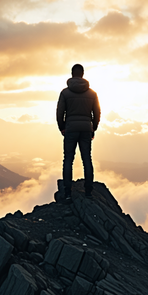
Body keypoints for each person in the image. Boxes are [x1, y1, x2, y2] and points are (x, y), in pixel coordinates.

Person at [56, 64, 101, 200]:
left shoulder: (65, 93)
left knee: (68, 159)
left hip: (70, 128)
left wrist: (62, 127)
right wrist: (93, 127)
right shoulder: (92, 94)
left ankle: (68, 192)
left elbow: (60, 112)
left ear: (72, 74)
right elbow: (97, 113)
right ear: (82, 74)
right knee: (86, 158)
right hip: (86, 128)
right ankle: (88, 190)